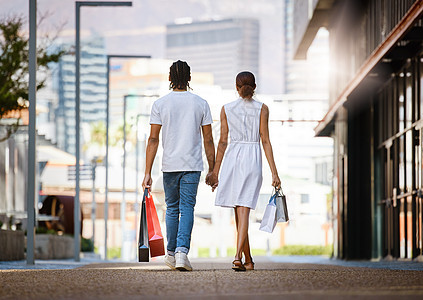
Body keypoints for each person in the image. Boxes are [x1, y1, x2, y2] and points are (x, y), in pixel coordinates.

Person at [142, 60, 217, 271]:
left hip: (169, 165)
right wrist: (212, 169)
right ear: (189, 79)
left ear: (169, 79)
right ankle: (183, 252)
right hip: (192, 165)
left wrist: (147, 172)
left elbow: (153, 140)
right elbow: (208, 140)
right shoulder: (201, 103)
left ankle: (171, 253)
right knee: (187, 209)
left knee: (172, 209)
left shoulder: (160, 104)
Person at [212, 71, 281, 271]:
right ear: (255, 86)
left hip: (232, 158)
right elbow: (265, 140)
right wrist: (274, 173)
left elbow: (223, 141)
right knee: (243, 211)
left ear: (236, 87)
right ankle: (242, 258)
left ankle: (243, 258)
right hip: (252, 158)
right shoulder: (263, 108)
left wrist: (216, 171)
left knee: (240, 210)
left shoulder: (226, 109)